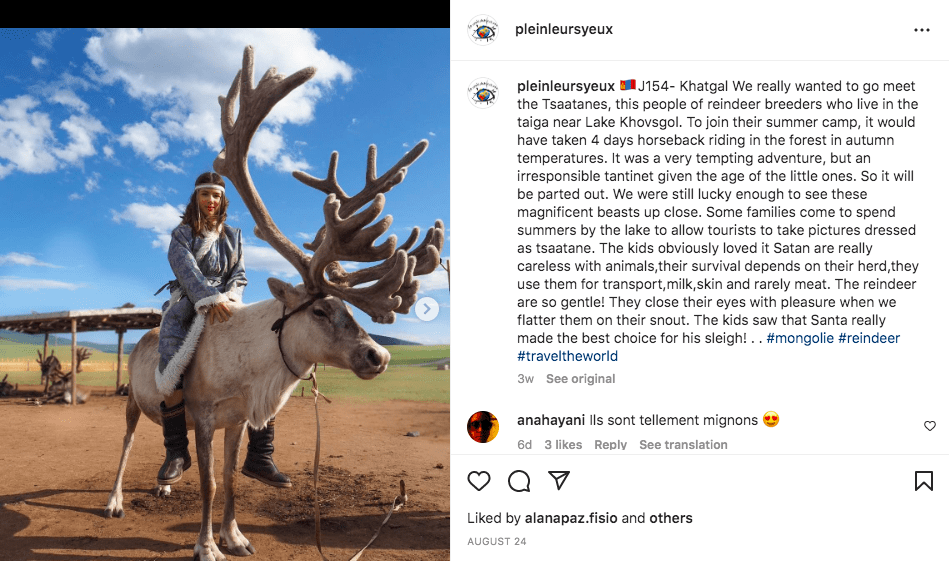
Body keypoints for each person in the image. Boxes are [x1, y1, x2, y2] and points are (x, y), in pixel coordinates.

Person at [154, 171, 292, 489]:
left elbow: (239, 273)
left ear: (222, 200)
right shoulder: (182, 234)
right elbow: (183, 267)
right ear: (197, 198)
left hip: (228, 303)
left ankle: (260, 455)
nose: (210, 201)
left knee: (262, 358)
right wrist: (208, 297)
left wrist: (228, 297)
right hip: (190, 300)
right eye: (205, 195)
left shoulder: (233, 235)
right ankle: (176, 451)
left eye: (216, 196)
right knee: (170, 357)